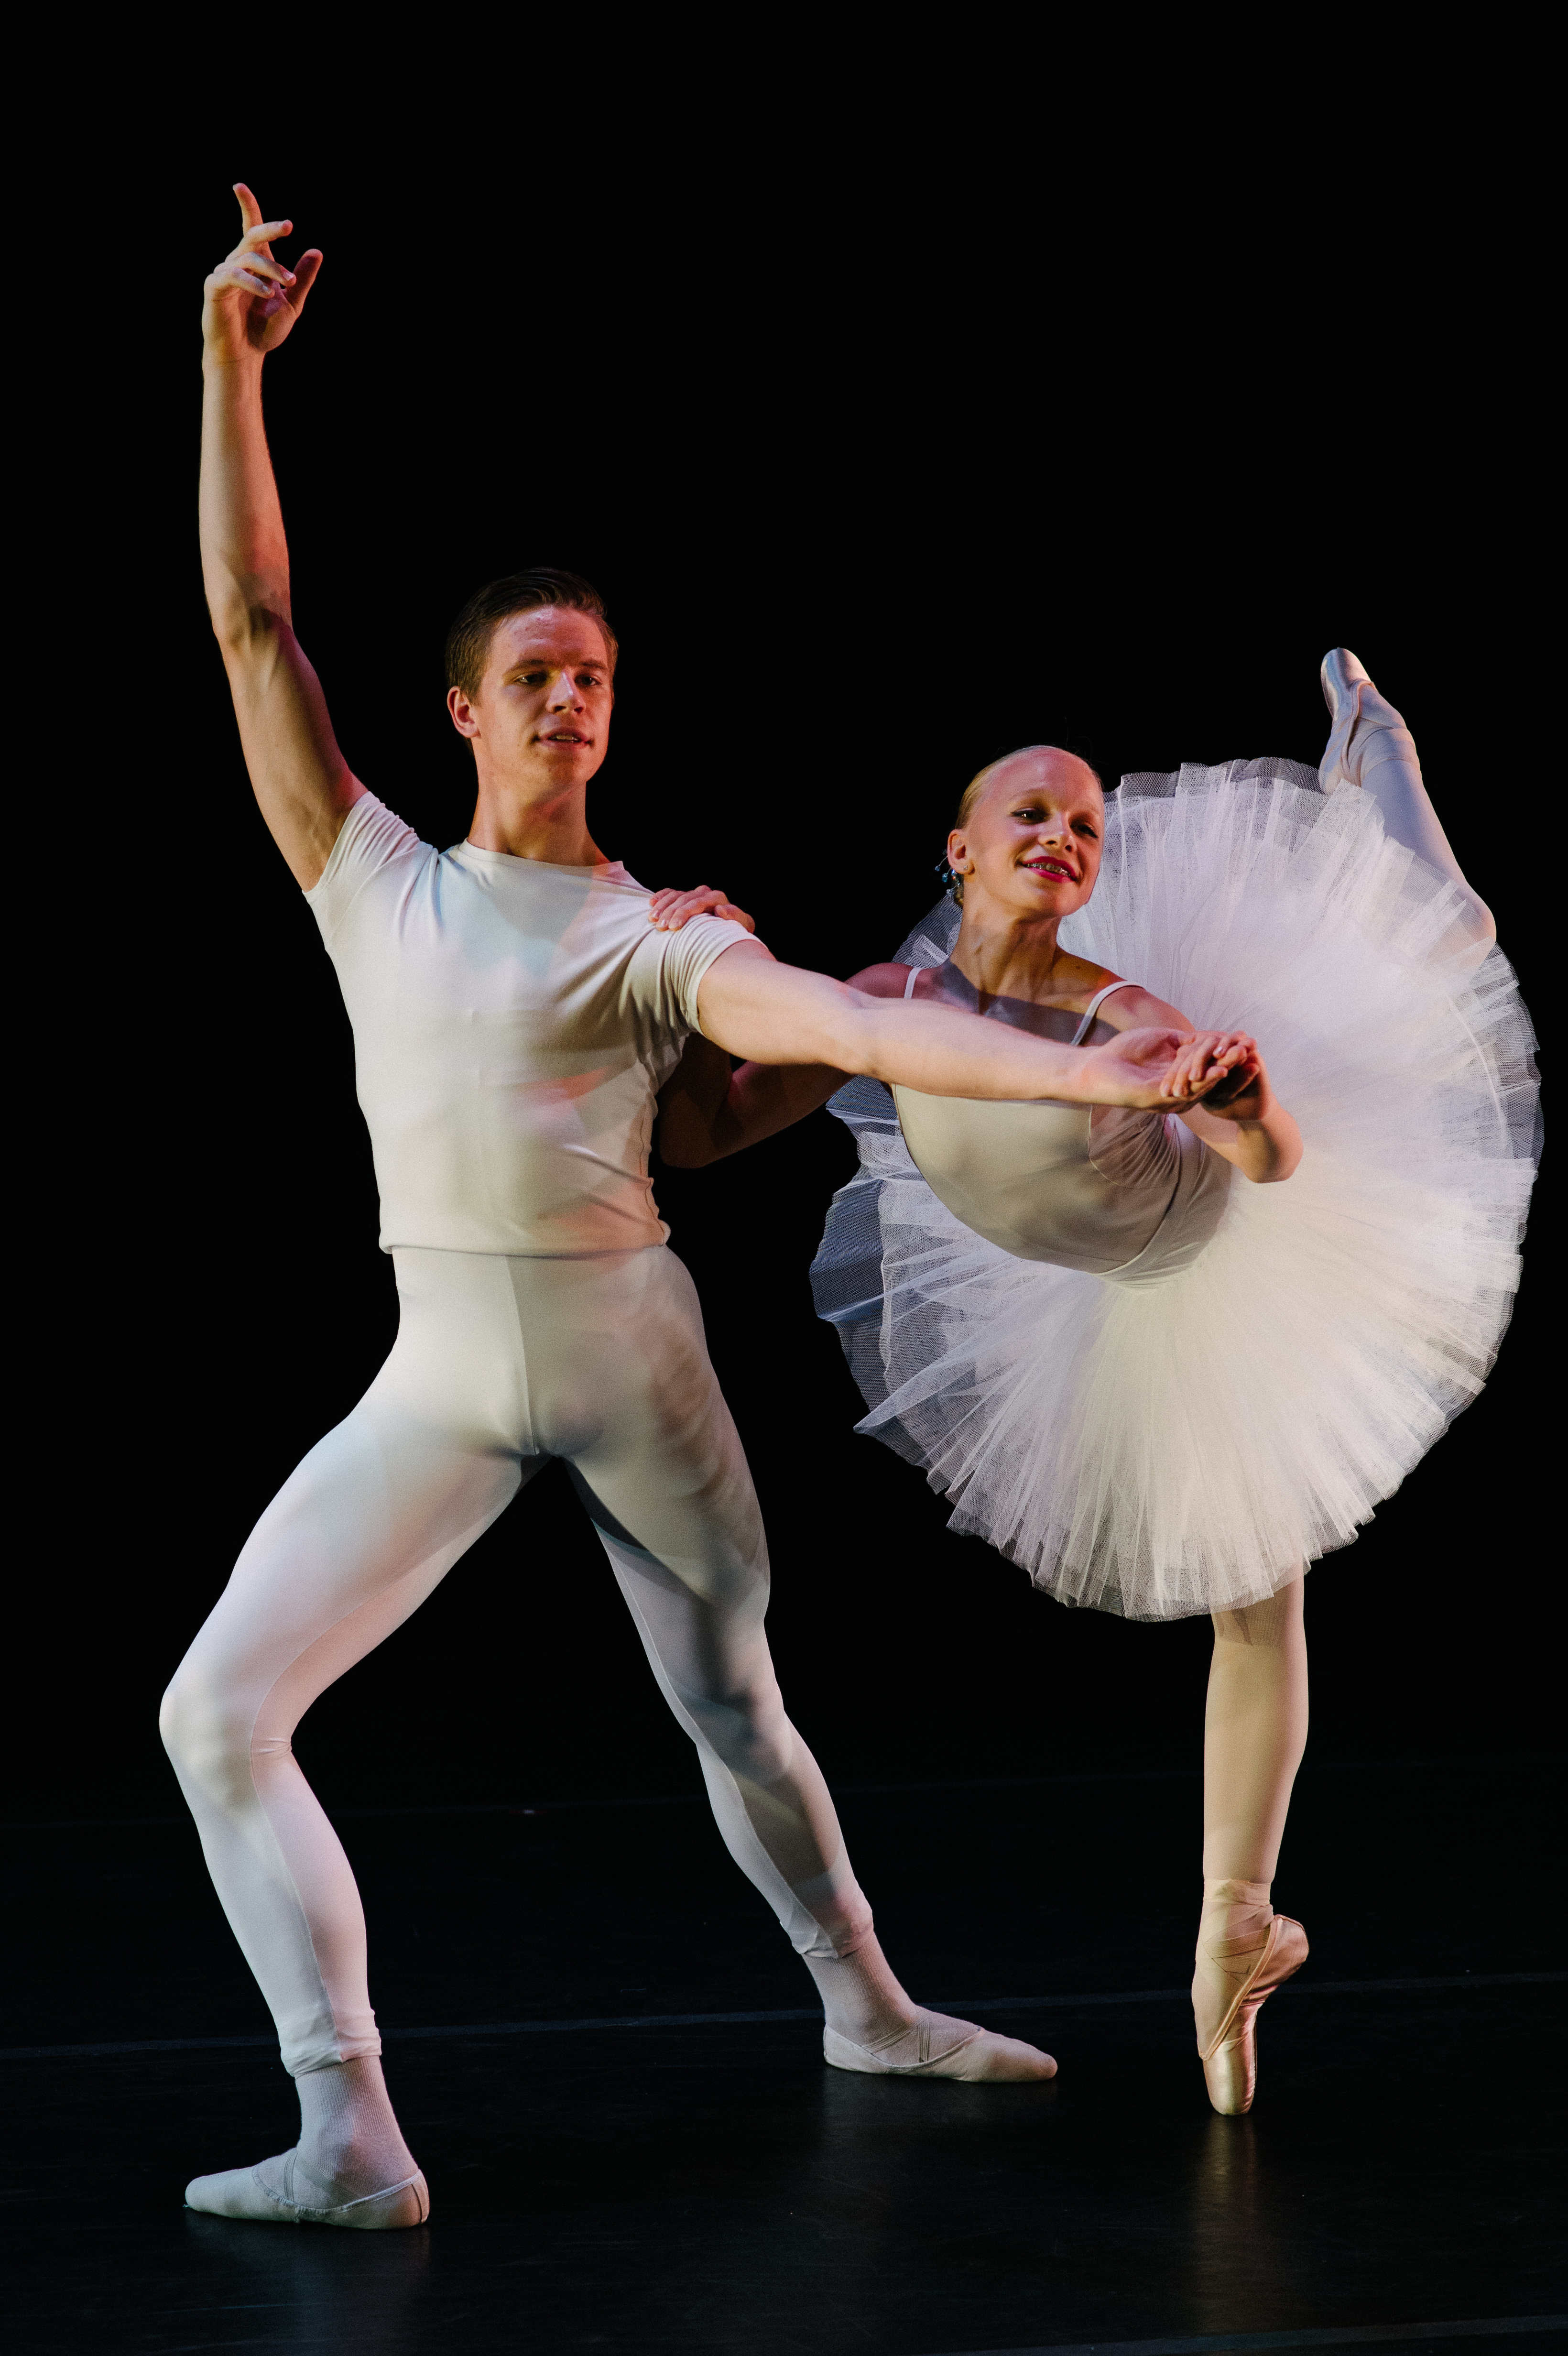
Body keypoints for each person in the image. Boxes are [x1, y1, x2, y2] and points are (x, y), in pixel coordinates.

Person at [160, 186, 1259, 2232]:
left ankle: (869, 2006)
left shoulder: (662, 934)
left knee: (732, 1698)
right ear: (465, 710)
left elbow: (834, 1033)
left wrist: (1101, 1072)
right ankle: (350, 2129)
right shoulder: (371, 875)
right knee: (216, 1712)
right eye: (535, 675)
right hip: (440, 1369)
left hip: (626, 1353)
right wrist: (231, 360)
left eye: (594, 677)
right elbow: (250, 621)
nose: (570, 701)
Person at [654, 658, 1538, 2115]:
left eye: (1083, 827)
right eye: (1031, 814)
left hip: (1237, 1245)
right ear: (958, 848)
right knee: (1253, 1589)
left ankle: (1375, 755)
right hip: (1108, 1288)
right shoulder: (887, 1001)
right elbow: (703, 1134)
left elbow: (1271, 1163)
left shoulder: (1118, 1009)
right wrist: (695, 963)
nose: (1063, 837)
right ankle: (1240, 1927)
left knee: (1444, 950)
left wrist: (1246, 1105)